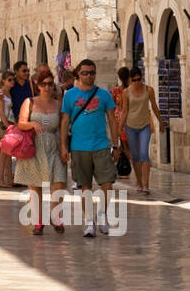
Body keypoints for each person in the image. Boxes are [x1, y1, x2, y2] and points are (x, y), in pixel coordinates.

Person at [60, 59, 120, 237]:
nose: (89, 76)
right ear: (78, 74)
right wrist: (64, 146)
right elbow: (64, 121)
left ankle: (102, 216)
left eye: (92, 72)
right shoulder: (70, 95)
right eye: (85, 73)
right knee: (85, 185)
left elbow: (112, 120)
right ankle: (88, 221)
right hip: (79, 147)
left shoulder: (104, 95)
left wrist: (116, 145)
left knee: (107, 182)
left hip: (101, 145)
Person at [15, 65, 68, 234]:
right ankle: (38, 222)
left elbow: (63, 127)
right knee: (36, 186)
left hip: (53, 146)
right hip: (34, 147)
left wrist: (64, 147)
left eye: (50, 84)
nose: (47, 87)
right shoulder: (29, 102)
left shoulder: (58, 104)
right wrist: (32, 123)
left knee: (59, 183)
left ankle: (54, 216)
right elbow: (21, 123)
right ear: (38, 86)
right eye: (44, 84)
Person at [120, 67, 164, 196]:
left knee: (144, 153)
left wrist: (161, 122)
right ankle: (139, 182)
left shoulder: (149, 90)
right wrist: (120, 127)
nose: (137, 82)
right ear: (130, 80)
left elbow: (154, 107)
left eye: (139, 79)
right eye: (134, 80)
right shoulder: (126, 92)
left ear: (142, 78)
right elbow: (125, 110)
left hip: (145, 125)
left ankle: (146, 185)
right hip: (130, 126)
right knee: (136, 156)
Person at [0, 71, 16, 188]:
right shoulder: (1, 93)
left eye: (13, 80)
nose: (12, 82)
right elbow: (2, 113)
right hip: (4, 125)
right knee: (3, 154)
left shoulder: (9, 93)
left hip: (9, 123)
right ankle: (0, 180)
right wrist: (8, 127)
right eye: (10, 80)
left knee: (8, 154)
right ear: (4, 81)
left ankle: (9, 180)